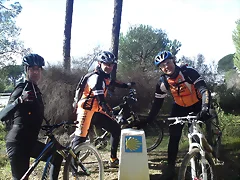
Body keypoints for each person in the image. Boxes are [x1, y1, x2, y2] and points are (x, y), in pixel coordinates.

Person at [138, 51, 212, 179]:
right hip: (179, 107)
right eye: (162, 65)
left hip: (197, 104)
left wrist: (205, 107)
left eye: (168, 62)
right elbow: (157, 103)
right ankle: (170, 168)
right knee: (173, 137)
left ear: (174, 60)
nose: (166, 66)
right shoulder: (163, 82)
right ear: (160, 69)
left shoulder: (189, 72)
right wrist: (150, 118)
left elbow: (204, 90)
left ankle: (202, 162)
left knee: (196, 133)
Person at [0, 54, 63, 180]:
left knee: (56, 157)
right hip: (18, 143)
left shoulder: (36, 90)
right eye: (32, 69)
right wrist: (19, 101)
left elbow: (35, 115)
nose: (35, 72)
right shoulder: (21, 89)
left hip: (30, 141)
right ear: (26, 70)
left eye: (38, 69)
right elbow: (2, 115)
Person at [71, 51, 134, 168]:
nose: (109, 67)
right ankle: (73, 166)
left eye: (111, 64)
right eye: (106, 64)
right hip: (86, 109)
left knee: (115, 129)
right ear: (100, 63)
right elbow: (102, 101)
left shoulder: (105, 76)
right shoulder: (95, 78)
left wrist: (127, 85)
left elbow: (113, 82)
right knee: (80, 138)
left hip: (96, 110)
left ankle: (113, 159)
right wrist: (114, 115)